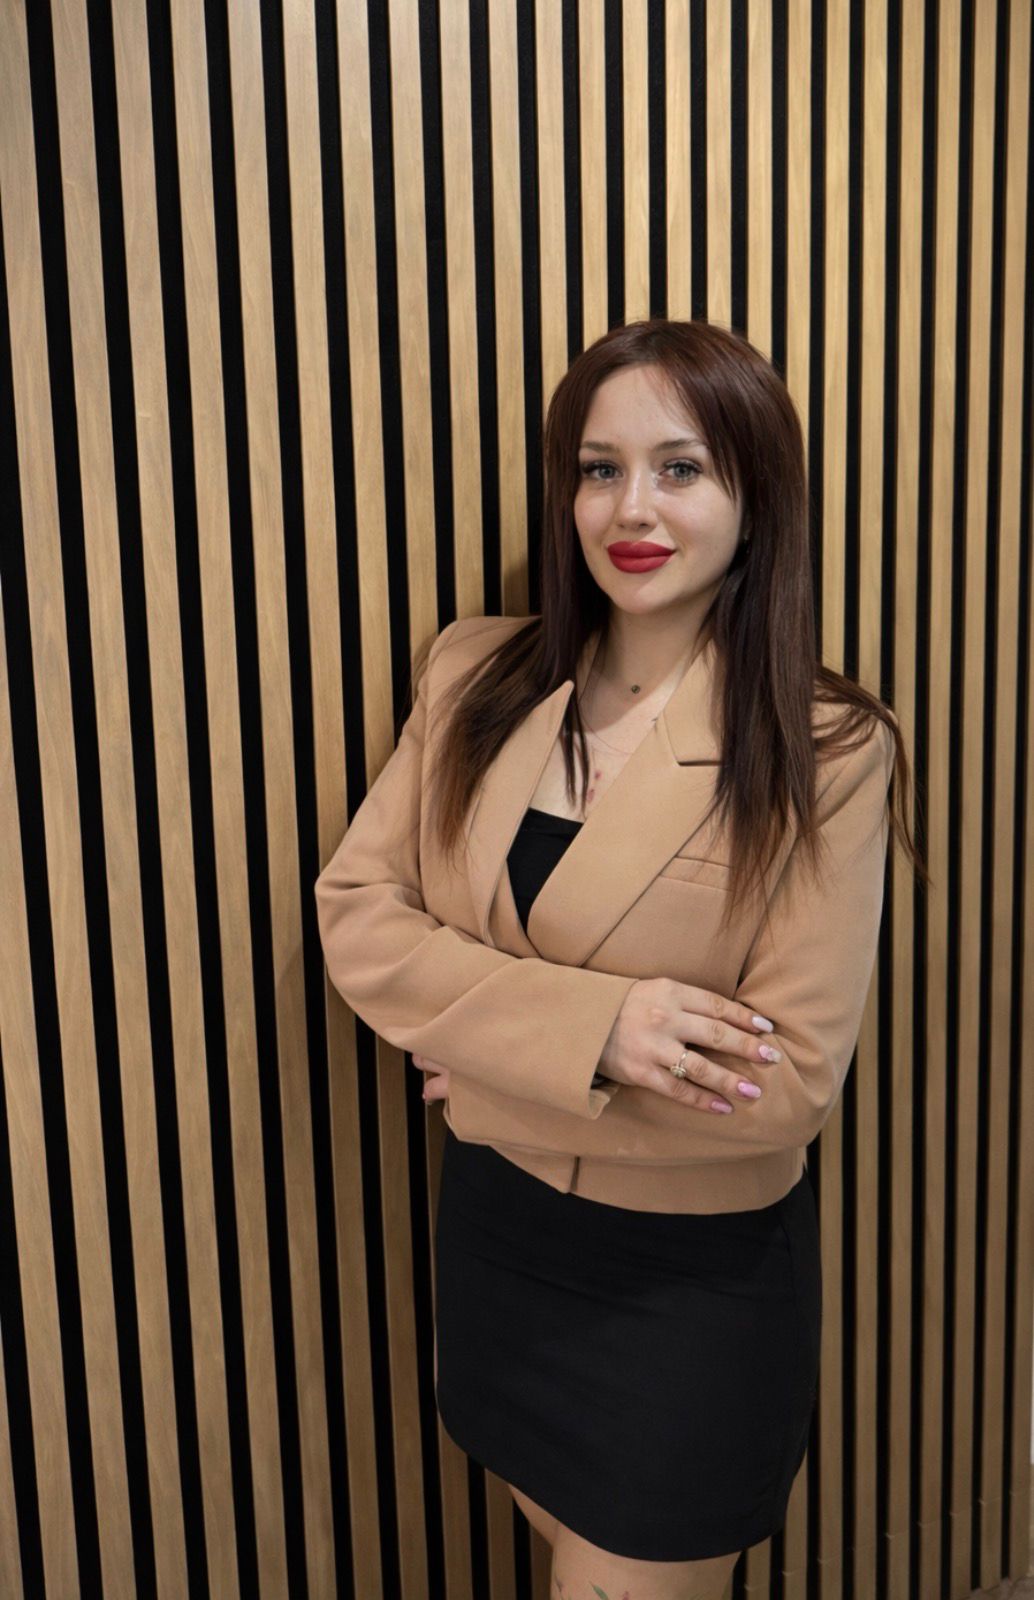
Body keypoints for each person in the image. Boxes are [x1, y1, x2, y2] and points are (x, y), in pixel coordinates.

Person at [315, 318, 926, 1600]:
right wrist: (601, 1030)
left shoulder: (825, 745)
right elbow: (360, 913)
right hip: (497, 1238)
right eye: (598, 469)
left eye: (679, 467)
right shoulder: (472, 673)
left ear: (755, 496)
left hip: (686, 1289)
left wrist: (489, 1075)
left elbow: (782, 1084)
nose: (629, 508)